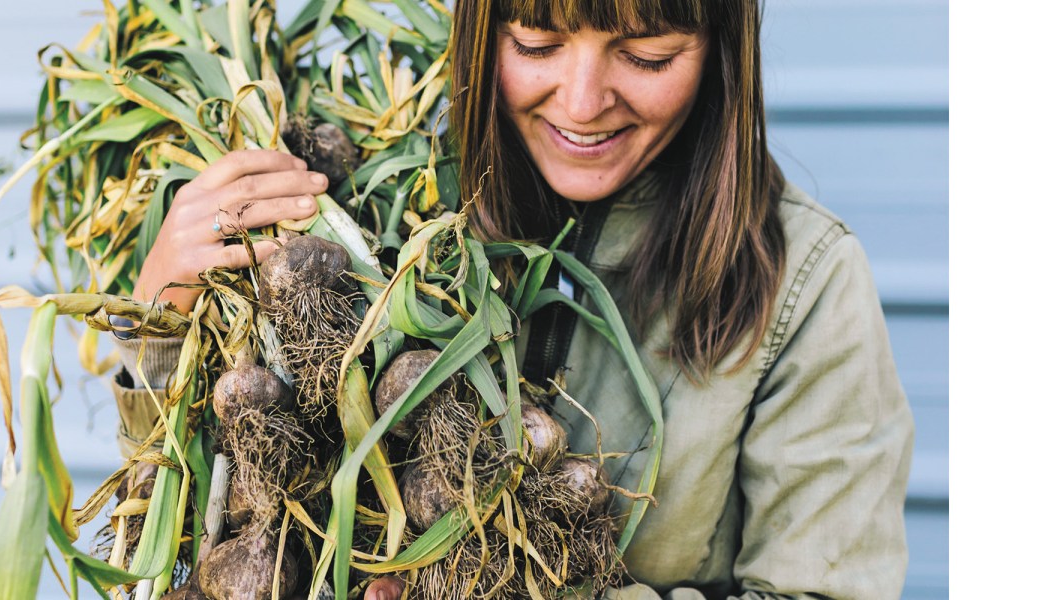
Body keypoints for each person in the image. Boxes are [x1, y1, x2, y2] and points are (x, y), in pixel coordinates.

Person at [112, 0, 914, 598]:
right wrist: (159, 334)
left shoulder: (805, 281)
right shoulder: (390, 202)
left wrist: (506, 574)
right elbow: (202, 540)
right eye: (537, 42)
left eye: (646, 55)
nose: (580, 100)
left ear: (720, 55)